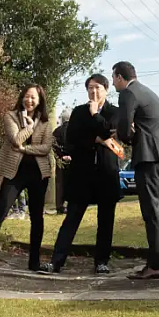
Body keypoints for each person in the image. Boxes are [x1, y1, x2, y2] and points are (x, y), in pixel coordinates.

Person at [41, 74, 123, 275]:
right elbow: (71, 142)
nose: (94, 92)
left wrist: (95, 115)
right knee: (72, 219)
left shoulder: (115, 112)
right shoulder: (78, 112)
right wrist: (95, 139)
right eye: (90, 88)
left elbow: (109, 132)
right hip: (82, 174)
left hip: (106, 173)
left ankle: (101, 262)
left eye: (98, 88)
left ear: (106, 89)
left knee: (106, 220)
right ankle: (56, 261)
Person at [0, 83, 53, 272]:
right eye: (27, 96)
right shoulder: (11, 116)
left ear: (40, 100)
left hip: (38, 173)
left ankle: (34, 261)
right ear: (21, 97)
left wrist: (26, 149)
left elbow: (46, 148)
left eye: (33, 97)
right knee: (0, 212)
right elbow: (15, 139)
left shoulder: (45, 122)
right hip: (14, 172)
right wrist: (29, 126)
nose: (29, 100)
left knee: (37, 217)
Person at [114, 61, 159, 280]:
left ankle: (156, 266)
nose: (113, 84)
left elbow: (123, 127)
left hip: (148, 157)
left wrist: (127, 136)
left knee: (151, 212)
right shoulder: (148, 91)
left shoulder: (128, 94)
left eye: (113, 79)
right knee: (158, 211)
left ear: (120, 77)